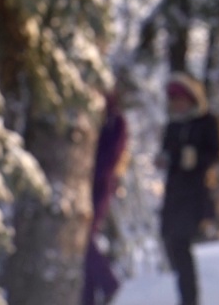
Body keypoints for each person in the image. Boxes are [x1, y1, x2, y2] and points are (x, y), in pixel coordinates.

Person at [159, 72, 219, 305]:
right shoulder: (173, 125)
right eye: (174, 100)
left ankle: (189, 300)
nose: (178, 104)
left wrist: (196, 158)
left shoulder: (207, 122)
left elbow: (215, 152)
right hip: (173, 194)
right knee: (172, 243)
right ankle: (186, 297)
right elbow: (167, 152)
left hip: (195, 194)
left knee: (182, 243)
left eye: (181, 99)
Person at [83, 88, 129, 305]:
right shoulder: (91, 117)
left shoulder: (116, 122)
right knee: (84, 240)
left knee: (84, 238)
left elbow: (111, 158)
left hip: (100, 186)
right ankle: (88, 296)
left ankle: (108, 283)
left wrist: (91, 172)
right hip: (87, 184)